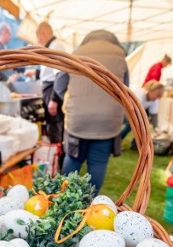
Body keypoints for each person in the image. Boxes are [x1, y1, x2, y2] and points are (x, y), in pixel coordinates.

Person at [52, 30, 129, 194]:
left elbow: (59, 87)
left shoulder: (76, 54)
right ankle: (89, 202)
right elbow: (125, 91)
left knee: (73, 158)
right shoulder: (121, 57)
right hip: (107, 121)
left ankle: (63, 197)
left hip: (79, 119)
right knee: (98, 163)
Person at [24, 22, 66, 146]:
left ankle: (58, 160)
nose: (39, 41)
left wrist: (54, 99)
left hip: (53, 90)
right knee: (54, 126)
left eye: (39, 37)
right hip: (51, 88)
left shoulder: (55, 47)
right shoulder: (51, 46)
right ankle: (57, 157)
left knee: (55, 127)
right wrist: (36, 73)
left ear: (45, 33)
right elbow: (49, 72)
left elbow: (61, 74)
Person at [121, 80, 165, 146]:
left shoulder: (154, 100)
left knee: (137, 126)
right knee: (130, 125)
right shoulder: (139, 94)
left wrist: (156, 127)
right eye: (156, 95)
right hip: (124, 109)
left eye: (159, 96)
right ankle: (117, 142)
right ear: (150, 91)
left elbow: (153, 115)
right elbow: (131, 108)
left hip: (135, 112)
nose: (157, 98)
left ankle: (134, 144)